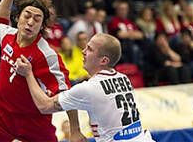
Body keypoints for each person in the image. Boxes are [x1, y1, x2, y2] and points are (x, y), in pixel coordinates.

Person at [0, 0, 85, 141]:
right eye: (27, 16)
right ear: (17, 17)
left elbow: (66, 93)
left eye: (37, 19)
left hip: (33, 121)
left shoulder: (47, 55)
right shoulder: (8, 36)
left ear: (42, 26)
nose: (30, 22)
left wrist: (75, 130)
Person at [16, 33, 154, 141]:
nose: (83, 51)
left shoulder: (89, 88)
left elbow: (44, 106)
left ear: (104, 60)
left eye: (90, 49)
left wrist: (28, 74)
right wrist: (75, 129)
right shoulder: (124, 78)